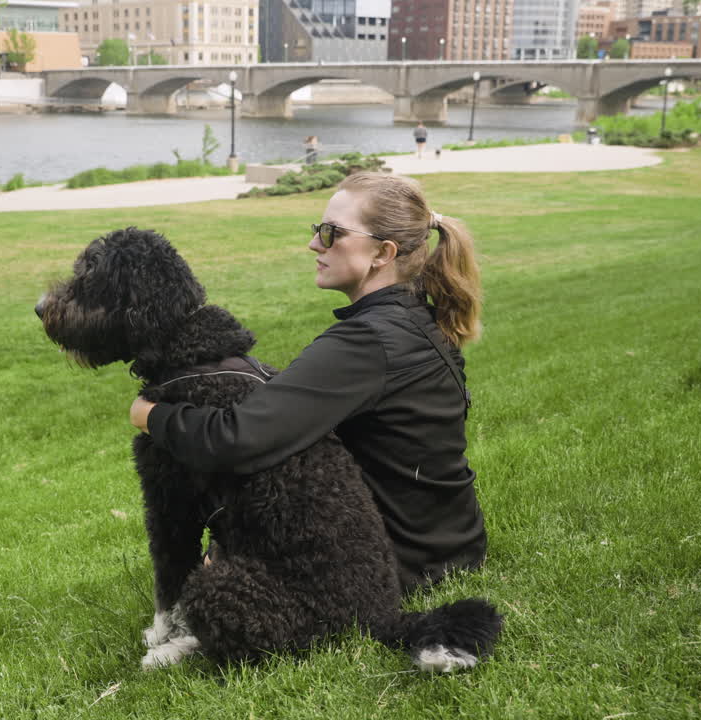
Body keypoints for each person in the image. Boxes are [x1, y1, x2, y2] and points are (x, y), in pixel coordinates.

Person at [129, 172, 487, 593]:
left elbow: (236, 440)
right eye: (318, 230)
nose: (315, 244)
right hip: (452, 544)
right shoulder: (412, 318)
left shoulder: (369, 341)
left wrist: (152, 414)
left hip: (402, 563)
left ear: (382, 253)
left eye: (332, 233)